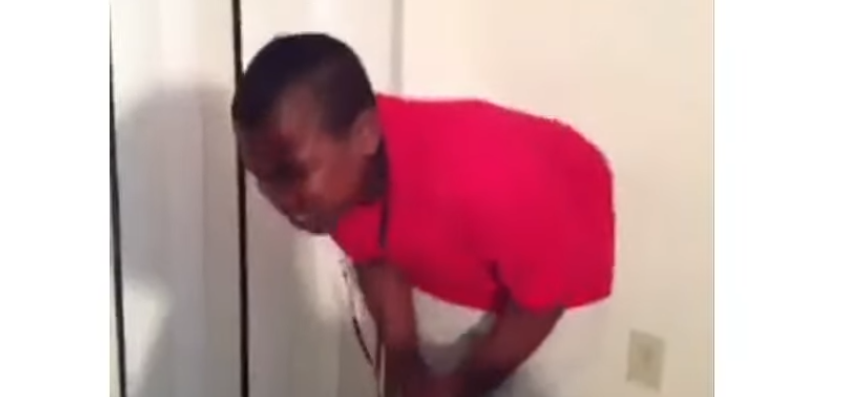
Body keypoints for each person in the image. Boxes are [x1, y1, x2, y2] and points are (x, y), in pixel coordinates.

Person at [231, 33, 616, 397]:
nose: (280, 200)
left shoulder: (486, 178)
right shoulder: (335, 179)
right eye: (262, 178)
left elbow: (541, 304)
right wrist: (404, 361)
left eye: (291, 174)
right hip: (465, 264)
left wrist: (461, 386)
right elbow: (373, 255)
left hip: (556, 287)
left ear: (366, 134)